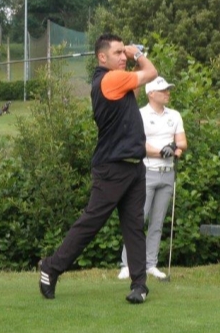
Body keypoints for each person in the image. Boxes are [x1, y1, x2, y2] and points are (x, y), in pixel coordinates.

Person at [39, 33, 158, 304]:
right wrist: (137, 54)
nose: (122, 57)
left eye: (123, 52)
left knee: (134, 226)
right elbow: (151, 72)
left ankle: (139, 285)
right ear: (102, 57)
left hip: (133, 166)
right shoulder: (109, 79)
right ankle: (51, 267)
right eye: (117, 53)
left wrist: (130, 59)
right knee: (91, 223)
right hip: (112, 168)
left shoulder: (118, 80)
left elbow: (136, 91)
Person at [117, 77, 187, 280]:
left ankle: (150, 264)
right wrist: (161, 152)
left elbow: (181, 141)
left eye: (168, 89)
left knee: (157, 222)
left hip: (167, 175)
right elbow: (139, 144)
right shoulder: (140, 115)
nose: (167, 93)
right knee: (137, 220)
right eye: (163, 90)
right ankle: (127, 264)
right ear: (151, 94)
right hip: (145, 173)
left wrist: (176, 149)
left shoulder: (174, 115)